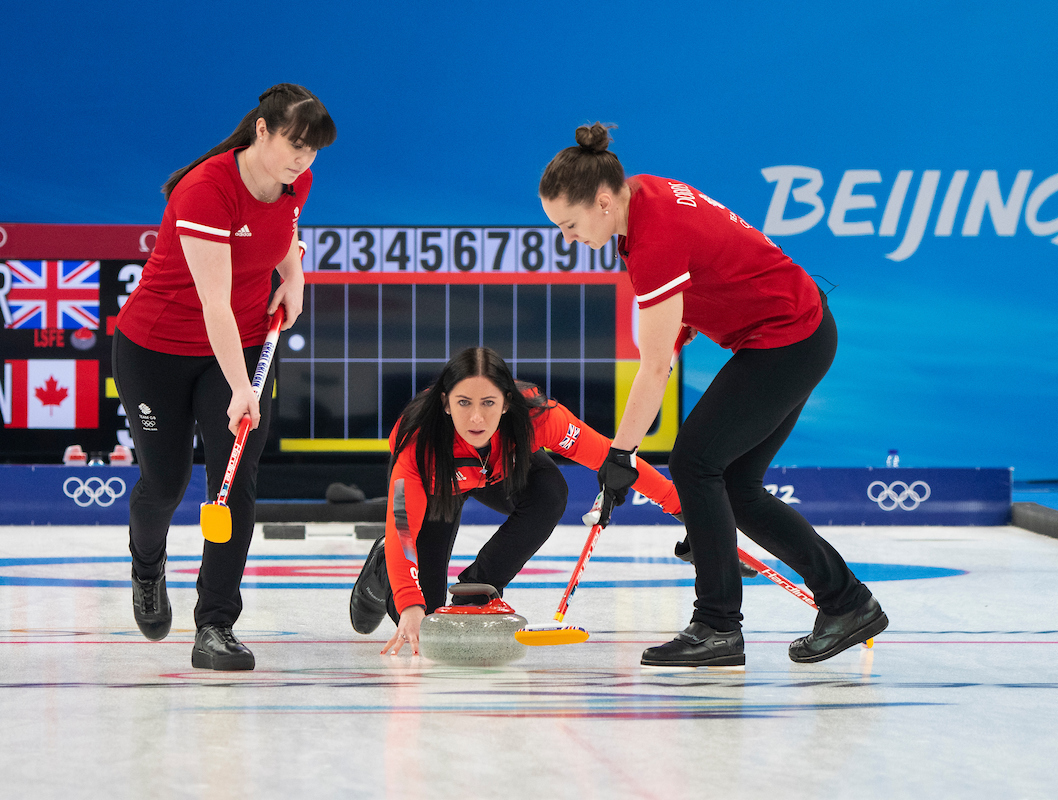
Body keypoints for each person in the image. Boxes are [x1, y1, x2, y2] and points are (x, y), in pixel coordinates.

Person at [538, 123, 888, 667]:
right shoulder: (646, 194)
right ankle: (847, 601)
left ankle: (717, 627)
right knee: (733, 485)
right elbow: (702, 287)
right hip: (800, 330)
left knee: (695, 461)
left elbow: (653, 370)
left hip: (787, 339)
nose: (568, 237)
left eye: (569, 224)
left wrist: (620, 456)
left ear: (603, 202)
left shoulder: (653, 239)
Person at [112, 84, 336, 670]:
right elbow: (213, 303)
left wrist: (295, 279)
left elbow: (284, 231)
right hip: (156, 348)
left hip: (240, 344)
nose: (302, 160)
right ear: (262, 131)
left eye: (312, 151)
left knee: (234, 482)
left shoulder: (295, 181)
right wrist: (244, 388)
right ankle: (146, 564)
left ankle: (214, 625)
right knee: (165, 482)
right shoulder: (206, 190)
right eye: (294, 145)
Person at [349, 347, 683, 655]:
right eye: (464, 403)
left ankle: (477, 589)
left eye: (488, 403)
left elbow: (616, 461)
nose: (476, 418)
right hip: (441, 486)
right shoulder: (418, 447)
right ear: (446, 403)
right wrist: (409, 604)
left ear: (507, 402)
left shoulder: (540, 417)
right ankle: (382, 568)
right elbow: (403, 531)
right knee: (431, 620)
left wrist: (683, 509)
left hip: (498, 473)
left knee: (550, 490)